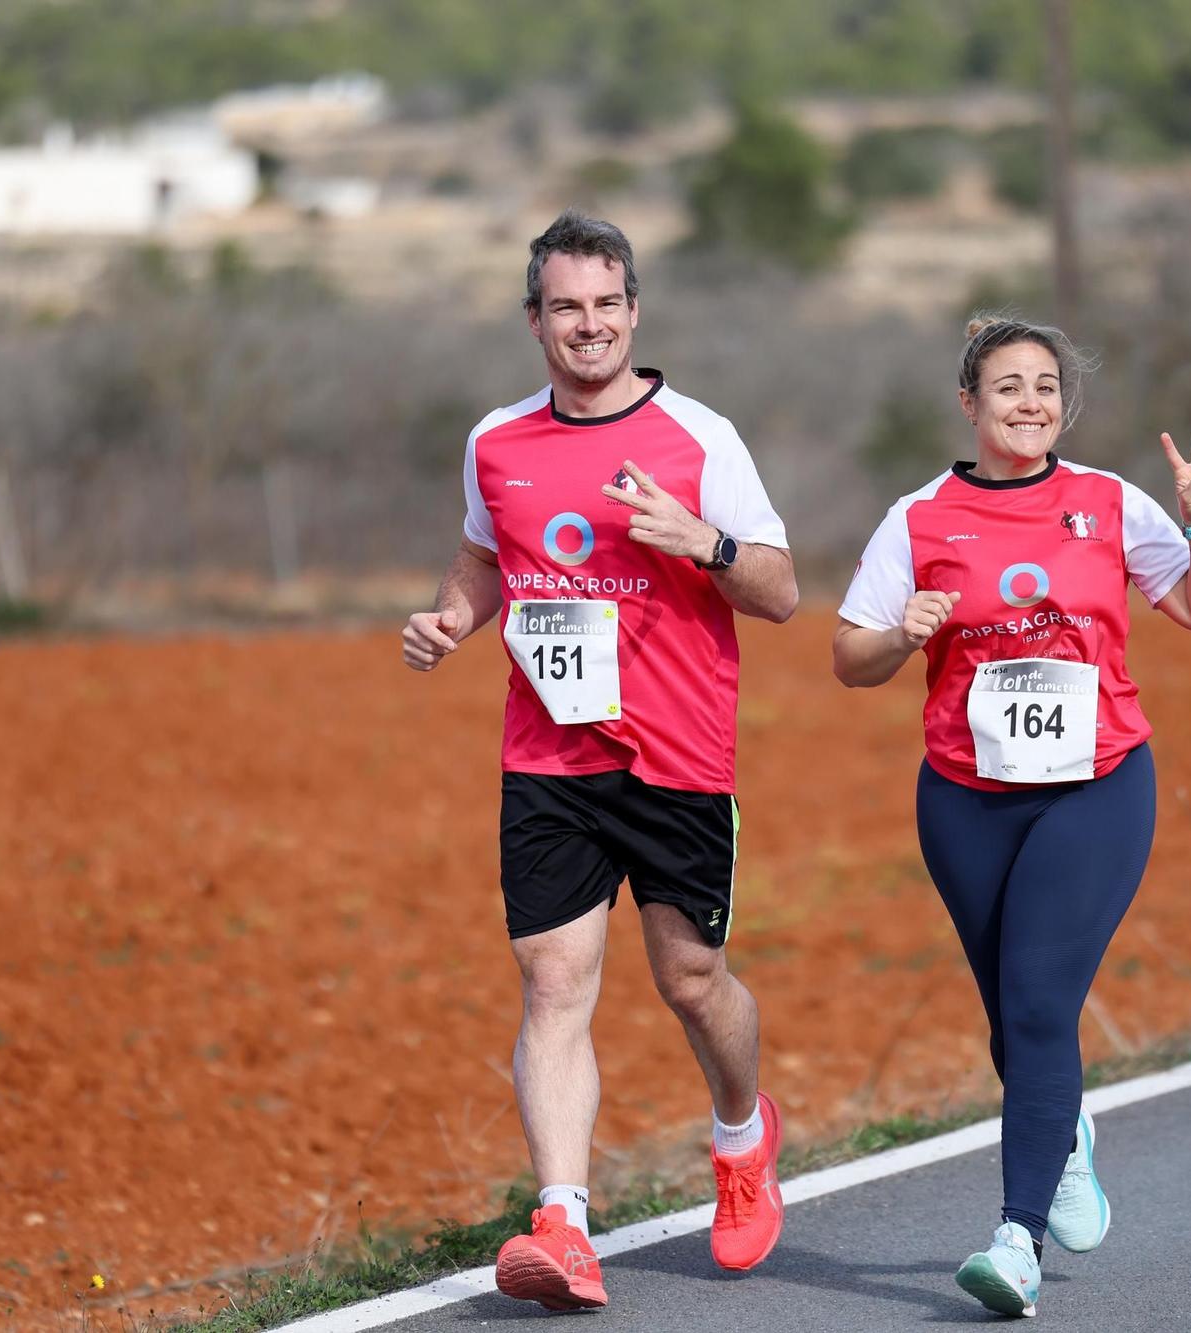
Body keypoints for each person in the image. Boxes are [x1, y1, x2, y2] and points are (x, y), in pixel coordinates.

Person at [402, 209, 799, 1311]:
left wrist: (700, 542)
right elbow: (484, 558)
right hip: (548, 757)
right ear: (534, 320)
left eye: (606, 304)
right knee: (554, 979)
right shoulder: (497, 441)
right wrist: (447, 619)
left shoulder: (699, 438)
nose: (589, 324)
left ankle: (739, 1133)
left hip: (677, 755)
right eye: (566, 306)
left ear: (635, 312)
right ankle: (563, 1224)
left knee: (688, 978)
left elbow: (778, 592)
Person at [833, 313, 1191, 1318]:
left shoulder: (1106, 502)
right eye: (1007, 386)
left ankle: (1012, 1239)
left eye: (1045, 387)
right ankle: (1062, 1132)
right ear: (968, 403)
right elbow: (847, 656)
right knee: (1013, 1020)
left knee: (1033, 1003)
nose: (1029, 403)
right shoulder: (919, 517)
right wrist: (898, 632)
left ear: (1063, 405)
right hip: (965, 799)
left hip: (1094, 784)